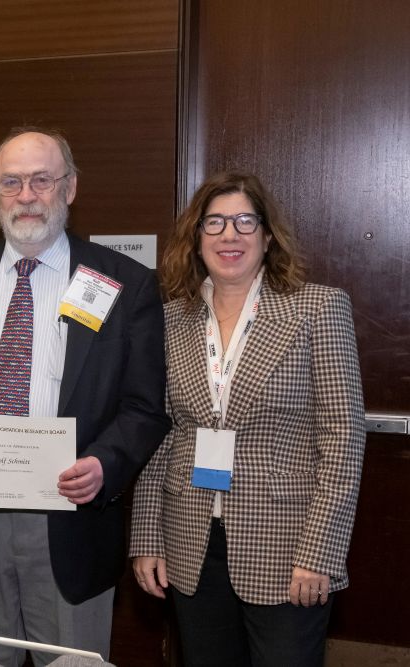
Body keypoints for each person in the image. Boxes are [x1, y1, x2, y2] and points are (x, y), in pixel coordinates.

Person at [0, 127, 169, 665]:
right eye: (11, 182)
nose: (26, 196)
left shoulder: (124, 283)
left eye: (41, 180)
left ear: (70, 187)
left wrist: (105, 463)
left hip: (71, 517)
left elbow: (145, 405)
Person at [130, 171, 365, 666]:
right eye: (213, 223)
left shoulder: (316, 309)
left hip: (287, 547)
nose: (229, 235)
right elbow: (157, 433)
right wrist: (147, 538)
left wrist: (319, 552)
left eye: (243, 221)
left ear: (267, 235)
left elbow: (343, 439)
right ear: (195, 240)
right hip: (190, 540)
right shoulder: (170, 319)